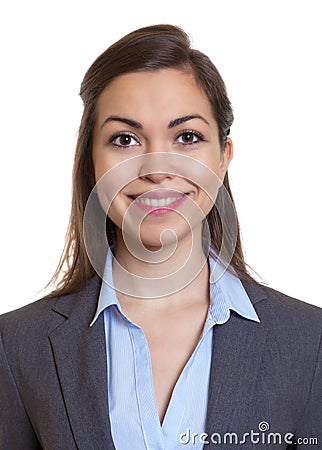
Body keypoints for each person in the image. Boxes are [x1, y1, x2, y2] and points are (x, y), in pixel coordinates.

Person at [0, 24, 321, 450]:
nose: (156, 168)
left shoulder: (309, 341)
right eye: (125, 139)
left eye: (187, 137)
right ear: (91, 163)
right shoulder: (18, 345)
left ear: (223, 158)